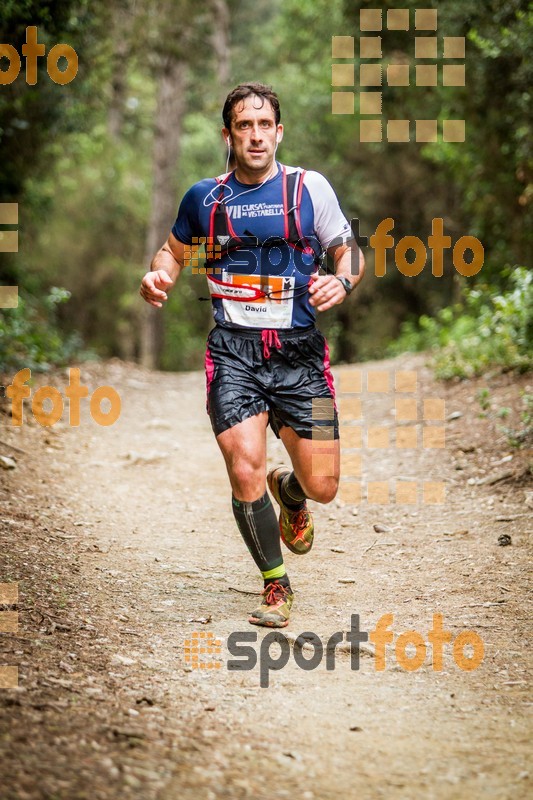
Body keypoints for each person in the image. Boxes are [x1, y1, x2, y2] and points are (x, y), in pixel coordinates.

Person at [140, 82, 364, 628]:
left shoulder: (309, 190)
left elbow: (347, 248)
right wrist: (159, 275)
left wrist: (344, 279)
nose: (256, 135)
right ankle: (275, 586)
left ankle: (290, 493)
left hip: (300, 355)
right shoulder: (205, 199)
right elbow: (173, 251)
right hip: (234, 353)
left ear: (279, 132)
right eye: (245, 125)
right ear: (229, 134)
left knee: (324, 486)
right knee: (243, 466)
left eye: (265, 125)